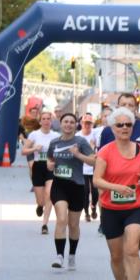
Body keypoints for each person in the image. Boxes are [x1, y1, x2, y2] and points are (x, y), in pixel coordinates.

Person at [93, 107, 140, 280]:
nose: (124, 128)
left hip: (136, 206)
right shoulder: (105, 151)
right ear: (113, 128)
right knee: (117, 256)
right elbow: (96, 180)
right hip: (111, 208)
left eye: (128, 124)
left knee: (132, 249)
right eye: (120, 125)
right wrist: (116, 187)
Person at [46, 113, 95, 269]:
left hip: (77, 186)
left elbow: (94, 160)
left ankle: (72, 255)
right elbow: (50, 159)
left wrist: (78, 154)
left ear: (76, 125)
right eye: (65, 122)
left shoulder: (81, 142)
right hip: (59, 185)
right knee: (61, 219)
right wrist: (50, 165)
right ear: (60, 124)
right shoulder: (54, 143)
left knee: (73, 224)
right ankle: (59, 255)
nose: (68, 124)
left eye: (72, 122)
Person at [22, 110, 60, 234]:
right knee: (41, 199)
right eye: (43, 119)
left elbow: (61, 150)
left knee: (49, 194)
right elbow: (24, 151)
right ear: (40, 121)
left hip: (50, 166)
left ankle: (45, 224)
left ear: (51, 121)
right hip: (38, 166)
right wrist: (34, 148)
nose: (46, 121)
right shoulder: (34, 135)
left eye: (48, 119)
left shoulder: (55, 136)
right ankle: (39, 205)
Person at [78, 112, 101, 222]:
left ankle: (93, 206)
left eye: (89, 123)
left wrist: (93, 147)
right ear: (81, 123)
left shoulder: (95, 135)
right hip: (82, 167)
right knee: (85, 191)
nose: (87, 125)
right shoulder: (78, 136)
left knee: (95, 192)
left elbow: (98, 150)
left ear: (92, 124)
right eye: (85, 123)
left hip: (93, 167)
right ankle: (86, 212)